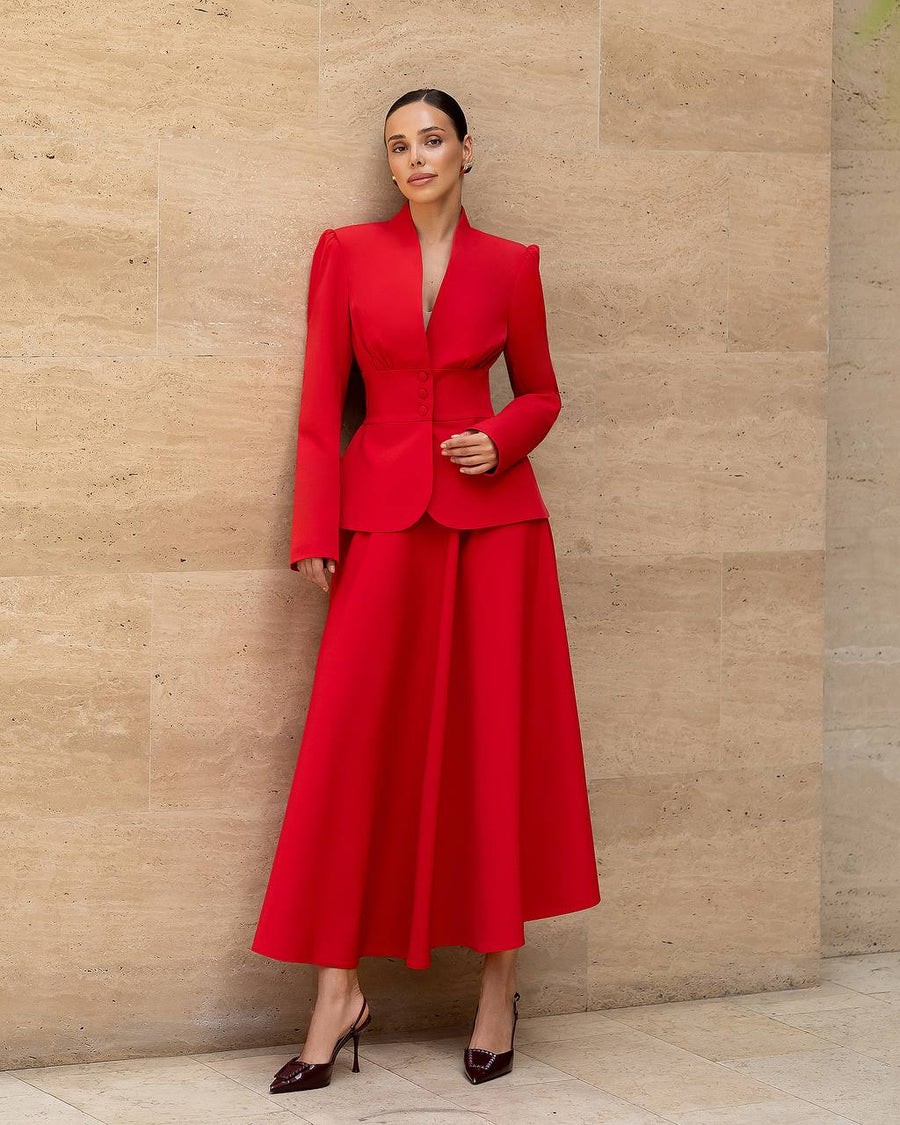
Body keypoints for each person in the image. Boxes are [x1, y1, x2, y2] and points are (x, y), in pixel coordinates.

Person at [252, 87, 601, 1093]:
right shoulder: (347, 254)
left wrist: (498, 439)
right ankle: (336, 993)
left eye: (432, 140)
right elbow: (324, 397)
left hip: (496, 533)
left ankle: (499, 986)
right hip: (378, 524)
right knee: (352, 747)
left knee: (495, 747)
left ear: (465, 151)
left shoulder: (511, 266)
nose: (415, 158)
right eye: (398, 145)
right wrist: (315, 528)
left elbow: (541, 389)